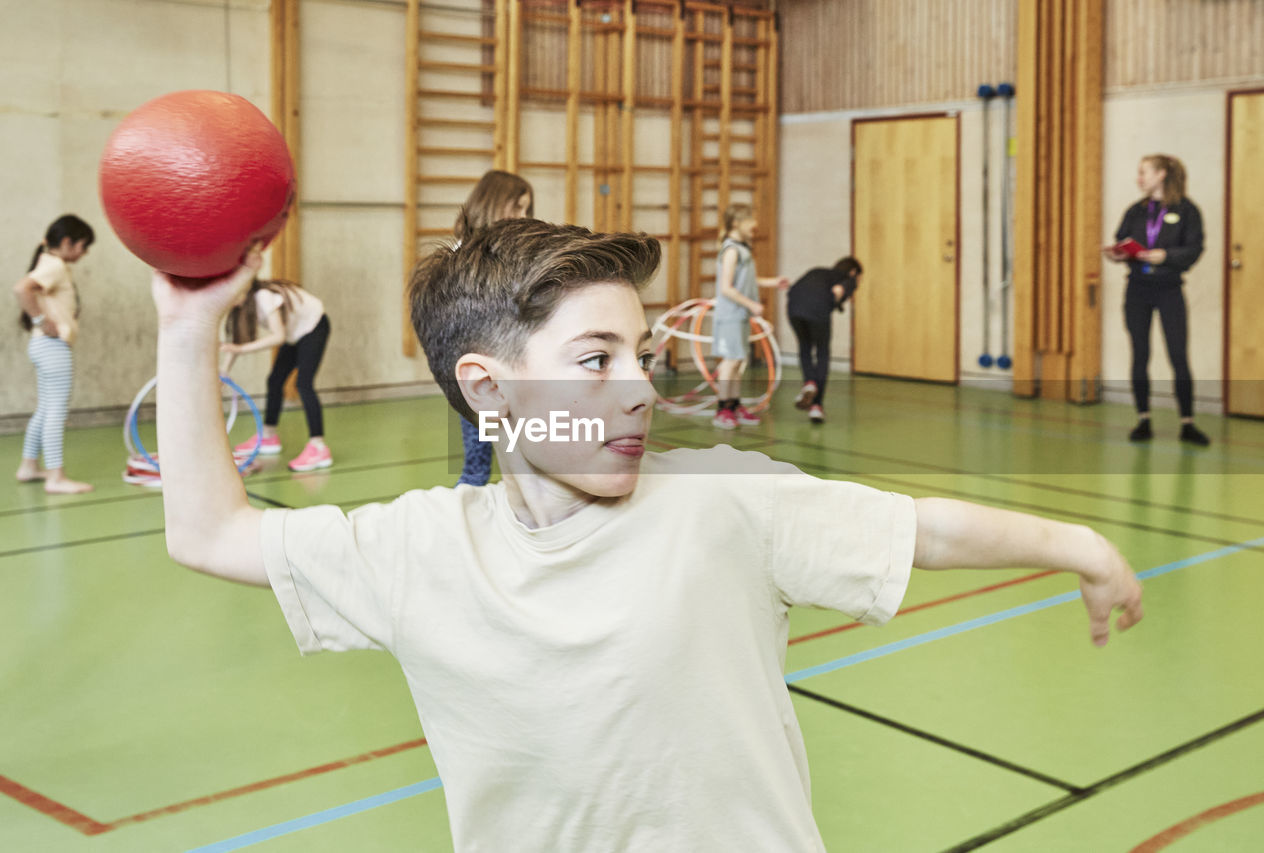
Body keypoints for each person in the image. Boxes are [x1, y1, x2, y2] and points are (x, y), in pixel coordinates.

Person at [153, 218, 1143, 852]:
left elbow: (918, 527)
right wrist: (190, 323)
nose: (636, 383)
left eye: (642, 352)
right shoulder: (419, 551)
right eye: (595, 357)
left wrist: (1075, 544)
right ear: (488, 389)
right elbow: (207, 531)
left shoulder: (721, 503)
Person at [1104, 154, 1209, 446]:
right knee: (1140, 354)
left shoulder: (1187, 211)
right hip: (1138, 288)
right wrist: (1117, 253)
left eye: (1143, 172)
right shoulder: (1135, 211)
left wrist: (1166, 256)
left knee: (1178, 355)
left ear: (1161, 175)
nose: (1139, 178)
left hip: (1169, 289)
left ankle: (1187, 423)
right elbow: (1121, 239)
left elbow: (1195, 248)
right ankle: (1143, 419)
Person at [452, 169, 534, 486]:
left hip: (512, 366)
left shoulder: (513, 250)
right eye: (517, 207)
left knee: (522, 456)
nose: (522, 216)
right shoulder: (465, 252)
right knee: (477, 462)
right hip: (480, 371)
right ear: (494, 204)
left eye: (527, 209)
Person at [12, 215, 95, 494]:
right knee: (56, 412)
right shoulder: (55, 265)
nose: (84, 253)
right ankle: (56, 477)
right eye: (84, 246)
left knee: (46, 409)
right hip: (52, 348)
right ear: (68, 242)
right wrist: (39, 320)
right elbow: (22, 288)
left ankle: (29, 466)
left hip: (43, 347)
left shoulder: (50, 263)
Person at [222, 277, 332, 472]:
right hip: (295, 334)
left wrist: (242, 349)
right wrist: (224, 372)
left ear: (243, 289)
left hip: (315, 327)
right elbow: (236, 342)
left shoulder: (262, 297)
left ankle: (318, 447)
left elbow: (278, 336)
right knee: (274, 381)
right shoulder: (241, 307)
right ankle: (268, 436)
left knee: (303, 384)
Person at [711, 204, 789, 429]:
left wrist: (772, 282)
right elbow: (726, 288)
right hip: (730, 315)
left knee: (737, 360)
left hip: (740, 315)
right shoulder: (732, 250)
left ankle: (734, 405)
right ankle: (722, 409)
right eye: (750, 221)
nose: (754, 225)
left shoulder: (743, 248)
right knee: (730, 362)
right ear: (736, 223)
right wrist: (751, 305)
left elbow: (744, 282)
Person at [786, 256, 861, 424]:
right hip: (818, 309)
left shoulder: (817, 271)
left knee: (805, 347)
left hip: (794, 308)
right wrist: (842, 291)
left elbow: (793, 289)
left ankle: (809, 382)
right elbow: (839, 289)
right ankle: (816, 406)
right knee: (822, 353)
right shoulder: (849, 278)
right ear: (853, 272)